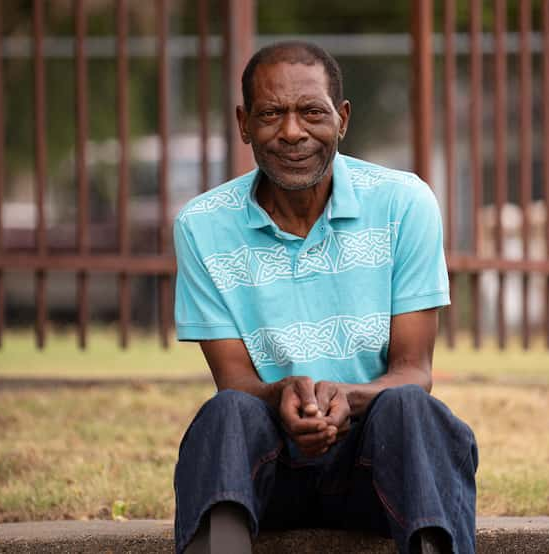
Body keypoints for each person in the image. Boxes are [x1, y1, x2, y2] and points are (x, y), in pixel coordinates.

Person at [172, 41, 478, 554]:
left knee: (411, 409)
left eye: (311, 112)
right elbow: (236, 383)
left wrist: (347, 398)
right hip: (266, 475)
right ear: (244, 123)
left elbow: (414, 371)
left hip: (378, 469)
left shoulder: (403, 204)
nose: (292, 132)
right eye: (271, 114)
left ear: (342, 119)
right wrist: (285, 393)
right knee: (225, 413)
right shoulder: (203, 226)